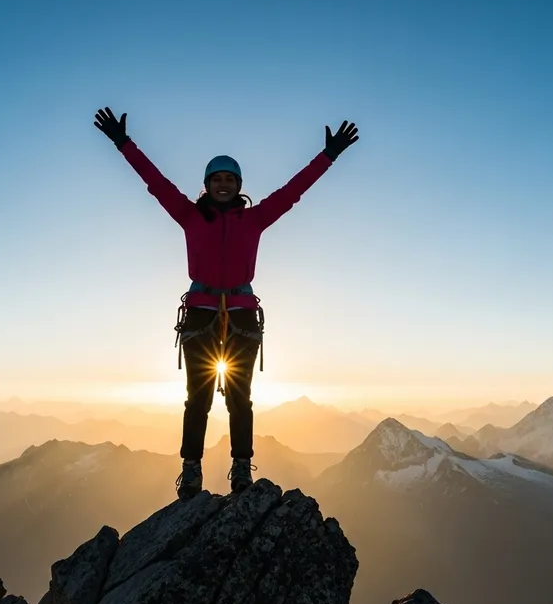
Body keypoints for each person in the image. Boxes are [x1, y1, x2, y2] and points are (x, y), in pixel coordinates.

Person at [94, 106, 359, 498]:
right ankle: (192, 469)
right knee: (197, 397)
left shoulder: (254, 219)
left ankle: (240, 468)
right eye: (216, 179)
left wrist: (328, 156)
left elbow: (292, 191)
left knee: (240, 398)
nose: (223, 185)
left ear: (238, 185)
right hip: (204, 312)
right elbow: (155, 181)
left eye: (229, 179)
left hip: (239, 315)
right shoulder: (189, 215)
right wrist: (123, 143)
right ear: (207, 184)